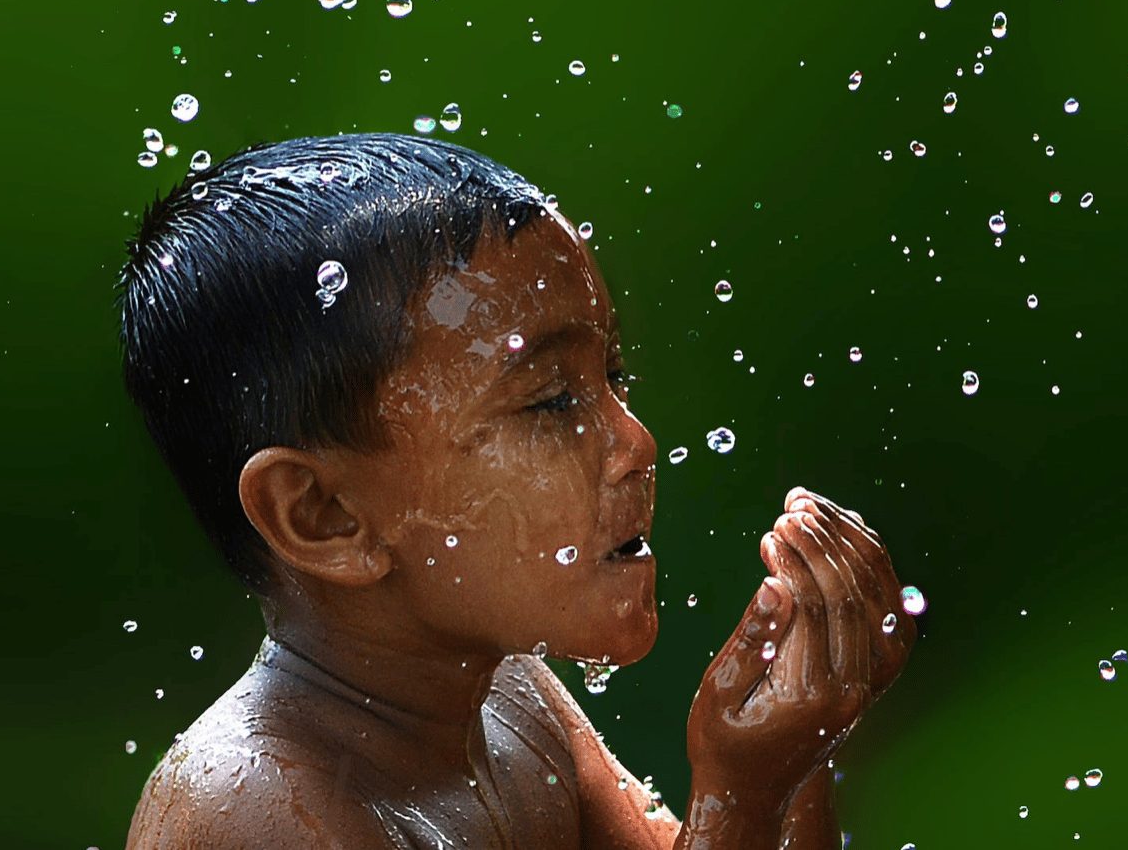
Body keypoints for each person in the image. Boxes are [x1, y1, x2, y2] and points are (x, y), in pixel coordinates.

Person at [116, 134, 916, 848]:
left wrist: (798, 757)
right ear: (324, 515)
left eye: (613, 377)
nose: (636, 443)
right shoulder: (258, 811)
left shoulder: (507, 702)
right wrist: (741, 798)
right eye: (549, 402)